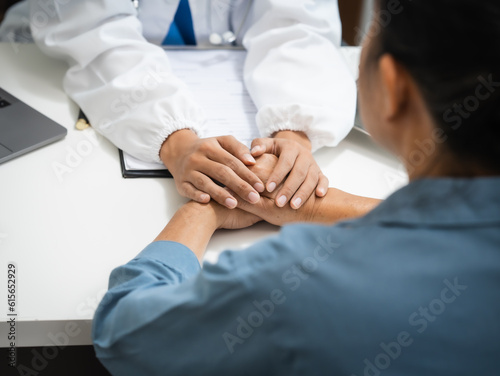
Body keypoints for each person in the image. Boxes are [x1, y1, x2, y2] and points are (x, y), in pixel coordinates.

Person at [91, 0, 500, 374]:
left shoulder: (299, 282)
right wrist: (320, 207)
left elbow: (123, 333)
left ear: (393, 86)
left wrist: (200, 212)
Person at [0, 0, 356, 210]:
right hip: (51, 65)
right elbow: (95, 34)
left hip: (223, 60)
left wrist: (294, 132)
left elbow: (297, 24)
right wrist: (175, 140)